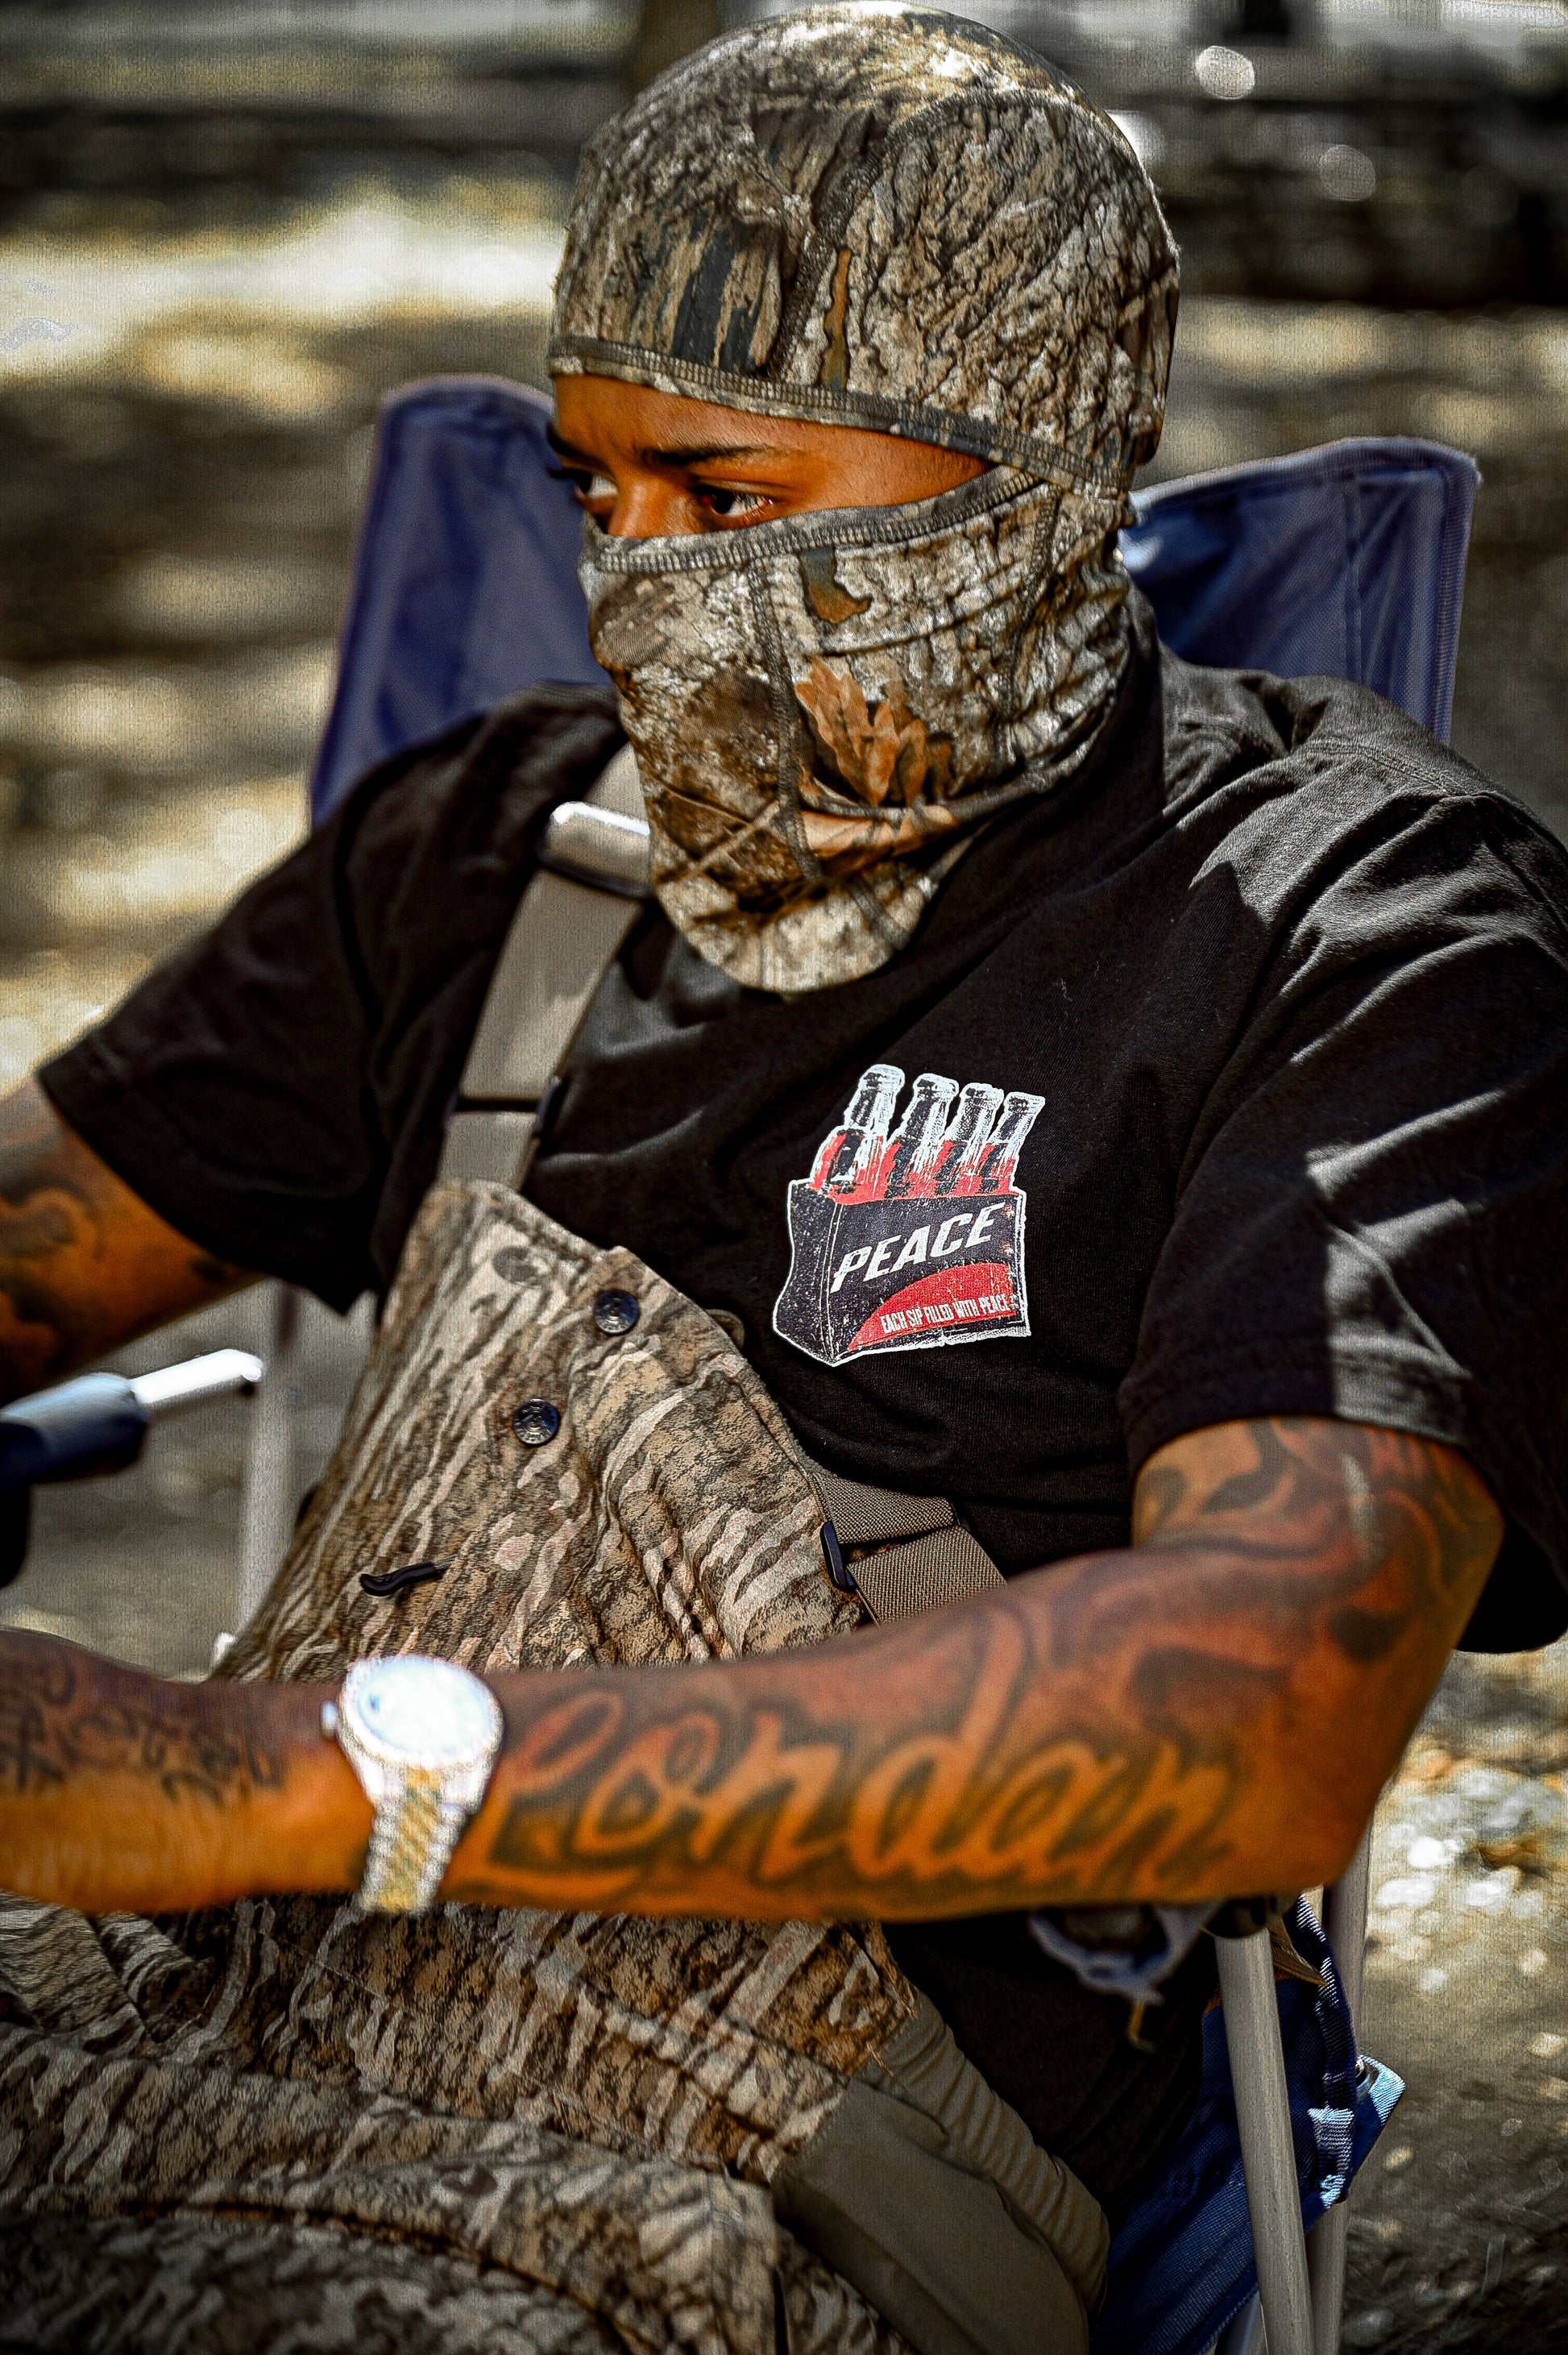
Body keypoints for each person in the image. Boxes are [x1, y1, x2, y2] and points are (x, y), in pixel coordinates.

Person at [2, 10, 1566, 2350]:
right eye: (593, 495)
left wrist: (293, 1775)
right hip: (196, 2026)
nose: (633, 586)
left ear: (1035, 473)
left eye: (724, 501)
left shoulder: (1359, 938)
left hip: (729, 2204)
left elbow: (1250, 1717)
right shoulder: (501, 855)